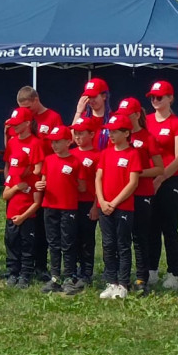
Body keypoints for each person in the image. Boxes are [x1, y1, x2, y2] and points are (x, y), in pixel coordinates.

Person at [113, 97, 163, 296]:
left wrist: (138, 173)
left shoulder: (147, 137)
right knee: (119, 238)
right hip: (121, 194)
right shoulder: (116, 137)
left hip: (142, 193)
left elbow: (159, 168)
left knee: (141, 237)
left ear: (135, 115)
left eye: (126, 114)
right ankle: (118, 276)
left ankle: (142, 277)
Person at [144, 80, 178, 291]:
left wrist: (161, 177)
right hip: (149, 179)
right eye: (152, 97)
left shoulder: (176, 123)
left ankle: (173, 272)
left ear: (170, 98)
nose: (155, 100)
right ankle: (151, 269)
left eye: (159, 97)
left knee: (169, 227)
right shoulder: (147, 120)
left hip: (169, 179)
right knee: (150, 226)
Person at [96, 113, 141, 300]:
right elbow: (98, 177)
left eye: (115, 132)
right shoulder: (106, 153)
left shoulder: (133, 153)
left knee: (122, 244)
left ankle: (122, 283)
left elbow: (133, 183)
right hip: (104, 206)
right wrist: (102, 200)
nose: (111, 135)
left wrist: (114, 202)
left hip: (123, 207)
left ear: (126, 133)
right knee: (108, 244)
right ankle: (111, 281)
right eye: (109, 132)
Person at [4, 105, 49, 281]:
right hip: (15, 186)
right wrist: (12, 180)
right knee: (11, 236)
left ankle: (27, 271)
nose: (14, 127)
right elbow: (8, 163)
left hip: (29, 190)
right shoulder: (13, 141)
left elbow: (38, 167)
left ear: (28, 123)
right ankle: (13, 269)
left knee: (28, 236)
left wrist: (24, 175)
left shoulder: (35, 143)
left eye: (17, 124)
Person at [36, 125, 81, 295]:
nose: (54, 145)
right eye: (52, 142)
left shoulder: (75, 161)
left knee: (67, 243)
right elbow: (44, 179)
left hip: (68, 206)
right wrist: (40, 184)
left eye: (57, 142)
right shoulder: (48, 160)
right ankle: (55, 276)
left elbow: (82, 185)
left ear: (68, 142)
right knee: (53, 243)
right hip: (50, 206)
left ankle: (69, 276)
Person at [71, 117, 101, 287]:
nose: (78, 137)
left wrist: (95, 205)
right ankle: (72, 270)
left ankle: (86, 272)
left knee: (87, 238)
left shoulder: (98, 155)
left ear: (91, 134)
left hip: (88, 201)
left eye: (81, 133)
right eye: (76, 133)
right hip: (71, 202)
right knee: (72, 237)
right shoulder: (71, 153)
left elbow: (100, 182)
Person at [16, 86, 65, 156]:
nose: (26, 111)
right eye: (23, 109)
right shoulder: (21, 117)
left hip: (46, 162)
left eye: (28, 107)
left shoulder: (54, 117)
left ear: (36, 100)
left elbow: (61, 144)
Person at [73, 77, 111, 150]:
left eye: (94, 96)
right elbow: (72, 139)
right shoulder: (83, 117)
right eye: (89, 97)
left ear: (104, 96)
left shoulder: (113, 119)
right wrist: (78, 112)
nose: (91, 100)